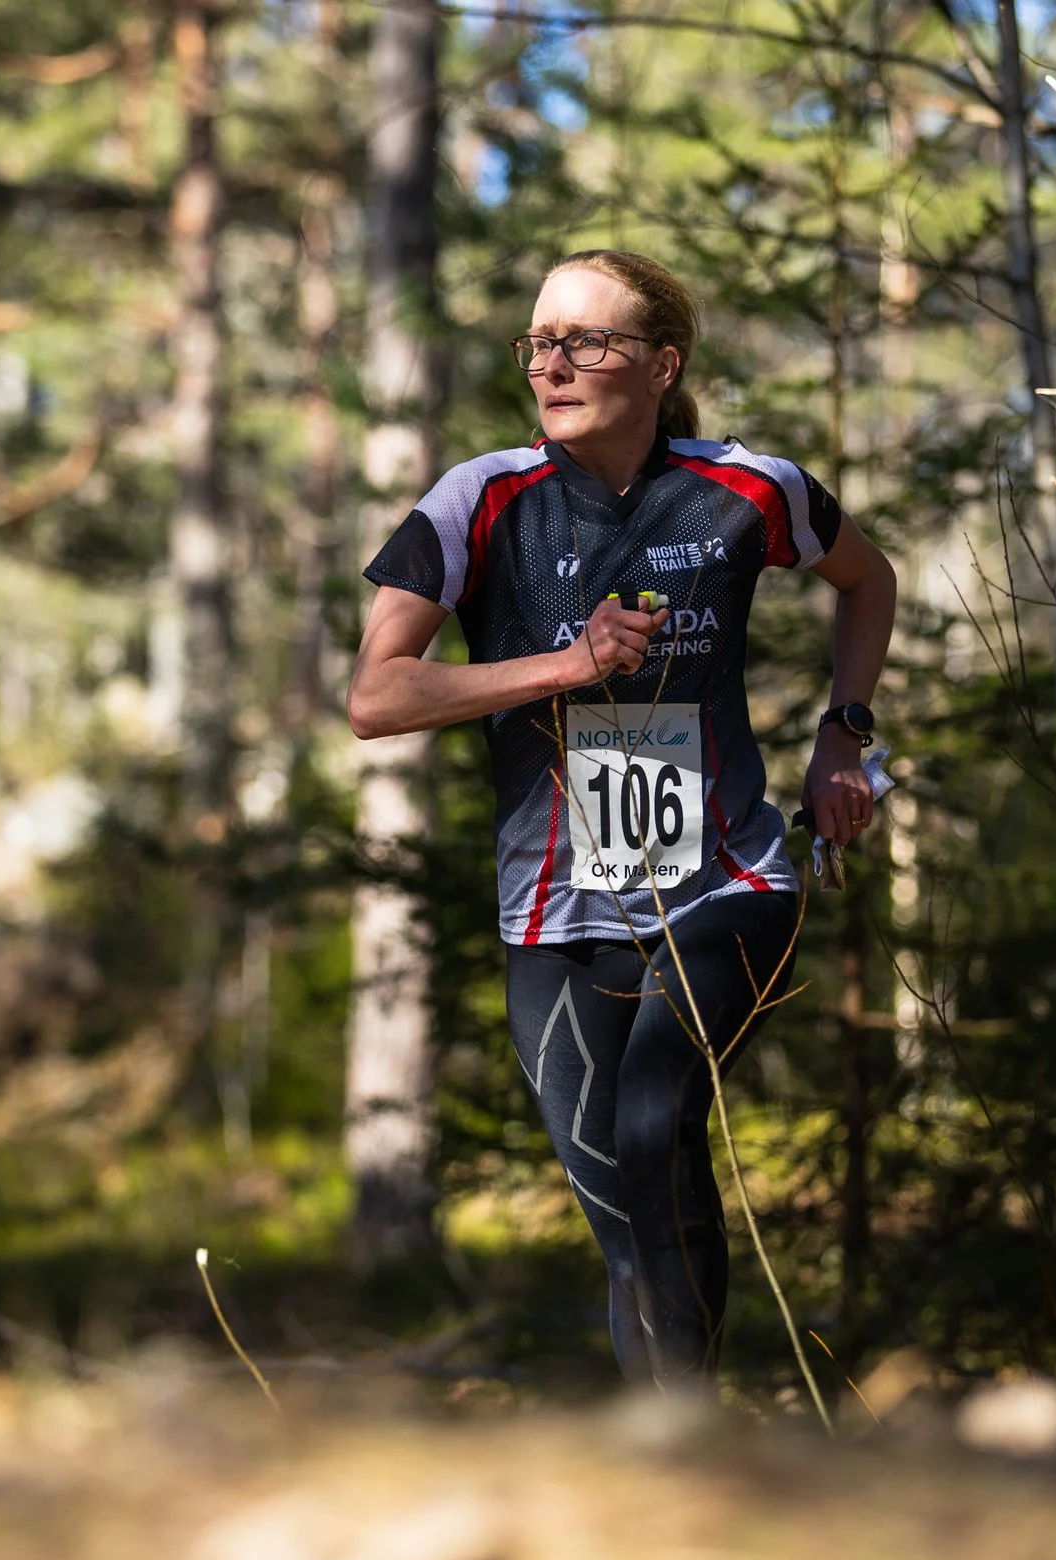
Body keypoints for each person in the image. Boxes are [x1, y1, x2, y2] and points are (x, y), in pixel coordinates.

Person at [346, 249, 897, 1390]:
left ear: (661, 365)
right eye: (539, 342)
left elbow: (867, 578)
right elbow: (376, 696)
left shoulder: (751, 488)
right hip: (551, 909)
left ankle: (689, 1426)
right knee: (615, 1196)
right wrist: (562, 666)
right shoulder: (477, 498)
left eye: (584, 342)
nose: (552, 364)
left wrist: (843, 732)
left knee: (655, 1120)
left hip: (729, 881)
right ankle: (674, 1437)